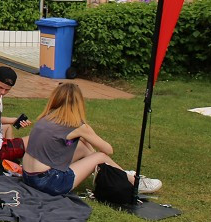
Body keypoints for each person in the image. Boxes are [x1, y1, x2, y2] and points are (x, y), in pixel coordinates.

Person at [21, 82, 162, 196]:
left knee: (83, 148)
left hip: (28, 176)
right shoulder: (77, 125)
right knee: (100, 156)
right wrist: (86, 131)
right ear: (79, 102)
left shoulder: (46, 118)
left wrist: (84, 138)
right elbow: (108, 150)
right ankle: (134, 183)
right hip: (50, 183)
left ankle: (118, 173)